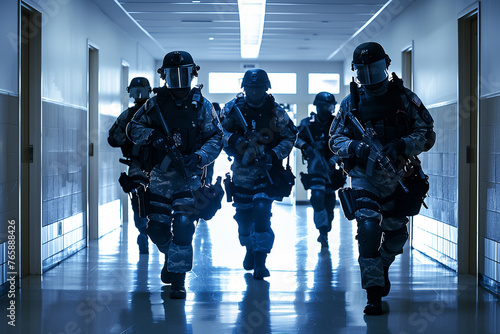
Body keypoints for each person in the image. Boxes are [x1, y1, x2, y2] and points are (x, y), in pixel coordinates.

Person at [329, 42, 435, 315]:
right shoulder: (350, 103)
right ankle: (373, 294)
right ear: (356, 72)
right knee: (368, 229)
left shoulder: (404, 98)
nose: (369, 76)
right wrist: (354, 147)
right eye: (363, 71)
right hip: (364, 175)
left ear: (386, 66)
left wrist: (401, 144)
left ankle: (382, 264)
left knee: (398, 236)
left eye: (374, 69)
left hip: (399, 172)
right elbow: (334, 138)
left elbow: (427, 132)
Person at [127, 51, 223, 299]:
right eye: (173, 75)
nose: (178, 80)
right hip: (160, 176)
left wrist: (199, 156)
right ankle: (172, 257)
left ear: (192, 74)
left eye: (183, 74)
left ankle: (178, 280)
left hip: (189, 176)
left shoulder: (201, 105)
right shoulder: (155, 104)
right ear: (164, 76)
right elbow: (133, 127)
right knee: (156, 229)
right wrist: (153, 136)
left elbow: (216, 136)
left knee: (183, 226)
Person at [220, 69, 297, 280]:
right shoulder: (232, 109)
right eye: (251, 88)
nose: (254, 92)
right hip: (242, 172)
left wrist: (272, 154)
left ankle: (260, 261)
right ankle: (248, 247)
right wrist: (236, 141)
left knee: (262, 211)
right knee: (244, 220)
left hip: (268, 170)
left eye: (259, 88)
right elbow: (217, 132)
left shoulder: (276, 112)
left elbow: (290, 137)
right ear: (244, 89)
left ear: (266, 88)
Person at [295, 92, 346, 248]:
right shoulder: (308, 123)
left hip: (332, 168)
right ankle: (322, 231)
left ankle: (327, 222)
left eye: (329, 106)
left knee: (329, 200)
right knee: (317, 197)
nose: (326, 108)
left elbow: (345, 142)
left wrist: (335, 158)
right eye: (323, 105)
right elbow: (295, 138)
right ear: (316, 106)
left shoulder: (337, 123)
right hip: (315, 167)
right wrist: (307, 146)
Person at [108, 77, 152, 254]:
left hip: (158, 164)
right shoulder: (128, 115)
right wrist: (131, 140)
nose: (139, 95)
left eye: (141, 91)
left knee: (155, 200)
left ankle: (150, 232)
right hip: (138, 164)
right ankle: (144, 232)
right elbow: (112, 138)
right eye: (136, 91)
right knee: (139, 199)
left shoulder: (157, 111)